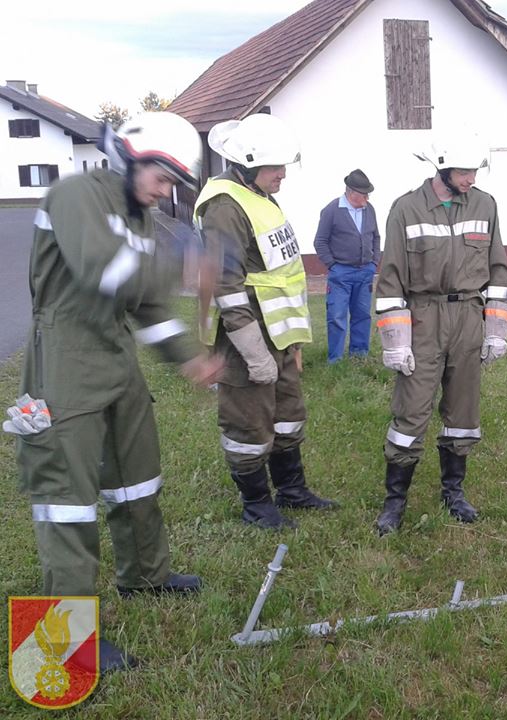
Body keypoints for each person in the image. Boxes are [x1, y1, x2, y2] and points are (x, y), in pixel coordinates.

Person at [10, 112, 223, 671]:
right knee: (68, 502)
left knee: (137, 478)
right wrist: (182, 263)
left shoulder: (139, 216)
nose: (164, 191)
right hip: (65, 364)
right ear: (129, 156)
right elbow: (105, 272)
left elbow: (144, 305)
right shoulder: (75, 195)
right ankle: (63, 644)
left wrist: (189, 358)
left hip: (116, 359)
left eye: (173, 183)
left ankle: (146, 576)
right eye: (160, 177)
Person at [195, 113, 336, 530]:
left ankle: (292, 490)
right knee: (248, 423)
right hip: (246, 336)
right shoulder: (225, 207)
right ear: (248, 163)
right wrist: (254, 354)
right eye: (276, 166)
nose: (283, 174)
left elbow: (279, 273)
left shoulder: (258, 194)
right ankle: (256, 506)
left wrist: (292, 342)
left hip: (277, 334)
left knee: (288, 415)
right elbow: (227, 287)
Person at [373, 139, 507, 536]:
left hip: (468, 316)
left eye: (475, 171)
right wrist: (396, 341)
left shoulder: (485, 205)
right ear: (441, 168)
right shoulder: (406, 208)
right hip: (423, 318)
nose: (471, 179)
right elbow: (390, 279)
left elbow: (498, 270)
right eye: (463, 171)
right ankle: (394, 502)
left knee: (463, 412)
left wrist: (496, 330)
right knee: (412, 410)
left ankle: (454, 492)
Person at [313, 169, 381, 362]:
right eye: (364, 194)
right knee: (336, 316)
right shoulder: (332, 210)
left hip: (365, 271)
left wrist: (374, 262)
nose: (367, 198)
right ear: (352, 193)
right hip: (340, 273)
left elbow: (376, 237)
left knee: (362, 315)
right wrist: (332, 265)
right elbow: (320, 241)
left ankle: (359, 356)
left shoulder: (369, 209)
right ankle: (335, 359)